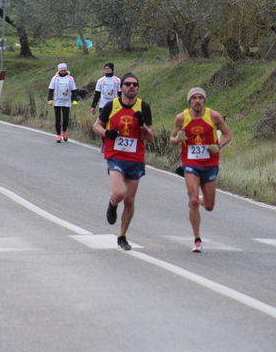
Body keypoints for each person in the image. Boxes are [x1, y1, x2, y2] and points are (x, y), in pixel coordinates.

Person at [92, 73, 154, 250]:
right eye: (128, 84)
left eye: (135, 84)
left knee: (129, 200)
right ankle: (112, 204)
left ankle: (122, 236)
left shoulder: (144, 107)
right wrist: (107, 133)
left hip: (135, 158)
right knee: (119, 193)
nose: (131, 87)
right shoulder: (112, 105)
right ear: (122, 88)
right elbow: (96, 125)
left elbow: (150, 138)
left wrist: (143, 126)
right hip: (115, 155)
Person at [169, 87, 232, 253]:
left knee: (209, 206)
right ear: (189, 101)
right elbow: (172, 139)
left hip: (210, 164)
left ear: (204, 100)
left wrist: (218, 146)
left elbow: (227, 135)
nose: (197, 101)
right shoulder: (182, 118)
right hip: (190, 163)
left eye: (200, 98)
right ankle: (197, 239)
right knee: (194, 200)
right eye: (194, 98)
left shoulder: (214, 116)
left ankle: (196, 200)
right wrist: (177, 139)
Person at [47, 63, 78, 143]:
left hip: (66, 101)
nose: (63, 71)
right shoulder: (55, 78)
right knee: (58, 119)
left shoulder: (70, 78)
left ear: (66, 70)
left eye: (64, 70)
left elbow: (74, 90)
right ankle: (58, 135)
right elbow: (50, 89)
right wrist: (50, 100)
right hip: (57, 101)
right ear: (59, 70)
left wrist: (74, 101)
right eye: (61, 70)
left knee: (65, 119)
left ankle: (64, 132)